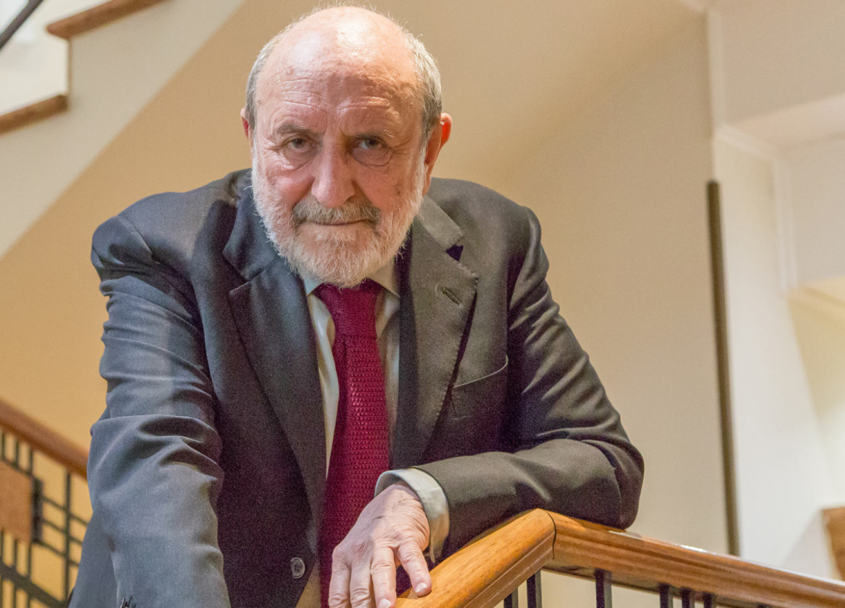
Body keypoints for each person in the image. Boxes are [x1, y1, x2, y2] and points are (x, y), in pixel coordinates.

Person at [70, 6, 643, 608]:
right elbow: (158, 465)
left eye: (369, 144)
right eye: (296, 143)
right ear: (253, 139)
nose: (330, 190)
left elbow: (603, 463)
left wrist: (427, 495)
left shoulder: (497, 244)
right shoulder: (166, 247)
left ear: (430, 151)